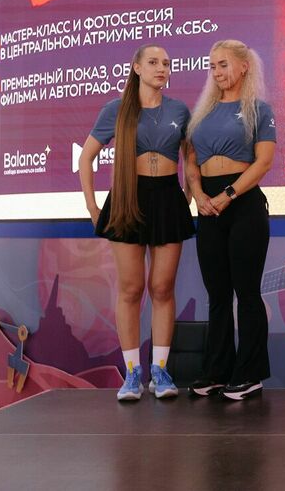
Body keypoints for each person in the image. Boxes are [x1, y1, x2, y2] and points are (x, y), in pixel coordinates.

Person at [79, 44, 194, 401]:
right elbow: (86, 158)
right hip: (128, 199)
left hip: (167, 199)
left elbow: (190, 159)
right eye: (154, 62)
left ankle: (160, 371)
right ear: (137, 68)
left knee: (162, 287)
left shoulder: (179, 109)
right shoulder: (116, 109)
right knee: (131, 288)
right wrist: (93, 207)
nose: (162, 68)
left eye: (167, 63)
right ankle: (132, 374)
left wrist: (188, 195)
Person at [185, 40, 276, 401]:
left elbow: (263, 162)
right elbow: (191, 160)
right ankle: (217, 371)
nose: (217, 72)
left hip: (243, 205)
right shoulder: (202, 113)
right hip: (208, 207)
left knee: (246, 291)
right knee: (217, 294)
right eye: (212, 66)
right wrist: (199, 194)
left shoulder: (259, 110)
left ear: (243, 66)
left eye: (223, 64)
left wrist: (228, 195)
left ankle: (250, 374)